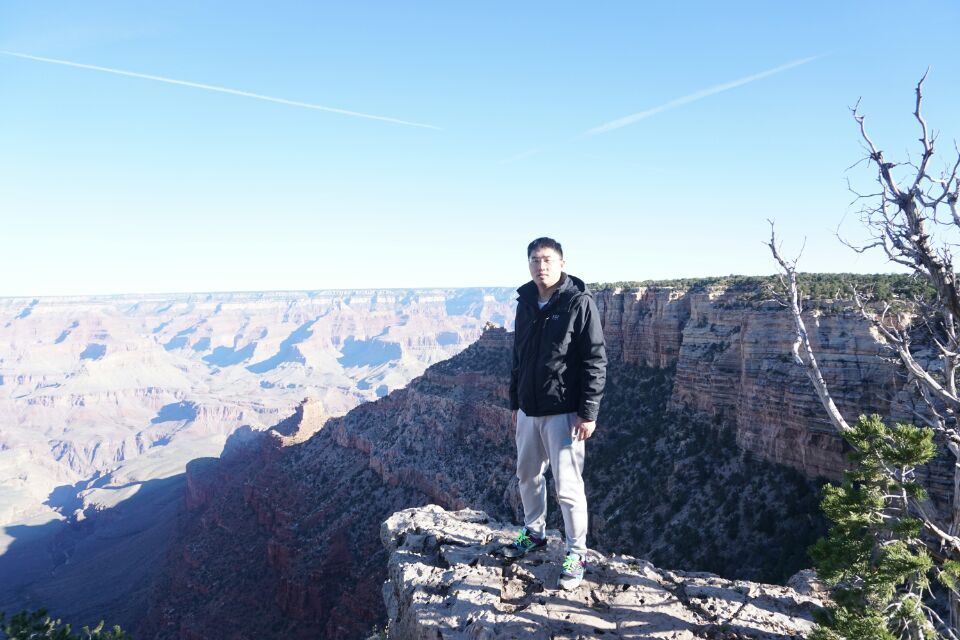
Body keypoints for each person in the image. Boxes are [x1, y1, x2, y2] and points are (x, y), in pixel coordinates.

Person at [506, 236, 607, 590]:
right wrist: (515, 403)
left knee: (568, 487)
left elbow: (595, 360)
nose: (541, 266)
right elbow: (518, 357)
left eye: (547, 259)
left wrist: (588, 412)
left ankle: (576, 553)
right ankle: (534, 532)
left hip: (564, 412)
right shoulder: (525, 303)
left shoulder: (578, 302)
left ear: (562, 263)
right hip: (529, 410)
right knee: (527, 475)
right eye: (535, 260)